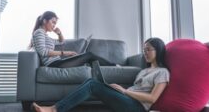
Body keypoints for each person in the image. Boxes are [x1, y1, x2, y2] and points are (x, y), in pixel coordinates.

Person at [32, 37, 170, 112]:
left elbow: (152, 99)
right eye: (144, 50)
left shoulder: (162, 72)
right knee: (91, 81)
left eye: (148, 50)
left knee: (92, 85)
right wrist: (120, 90)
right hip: (127, 98)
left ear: (158, 50)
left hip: (137, 107)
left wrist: (125, 92)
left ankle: (54, 109)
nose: (145, 52)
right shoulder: (144, 70)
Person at [29, 11, 112, 68]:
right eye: (53, 22)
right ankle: (113, 66)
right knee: (88, 55)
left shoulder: (46, 36)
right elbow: (43, 52)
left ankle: (109, 69)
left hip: (56, 62)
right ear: (44, 21)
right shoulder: (39, 32)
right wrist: (66, 53)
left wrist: (59, 33)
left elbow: (62, 42)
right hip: (53, 64)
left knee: (88, 59)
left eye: (55, 23)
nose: (54, 25)